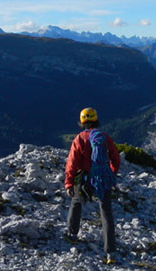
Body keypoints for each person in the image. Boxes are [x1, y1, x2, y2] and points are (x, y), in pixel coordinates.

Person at [64, 107, 120, 264]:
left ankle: (72, 234)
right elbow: (116, 159)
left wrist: (69, 183)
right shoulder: (105, 138)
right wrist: (111, 174)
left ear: (82, 122)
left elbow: (72, 164)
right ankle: (110, 252)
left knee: (76, 202)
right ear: (96, 120)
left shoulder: (80, 139)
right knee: (106, 213)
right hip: (102, 179)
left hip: (85, 179)